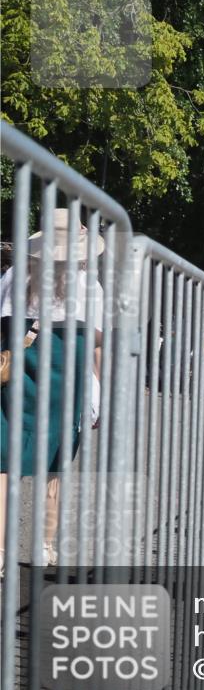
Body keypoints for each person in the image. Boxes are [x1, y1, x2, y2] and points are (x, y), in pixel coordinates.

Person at [1, 208, 104, 578]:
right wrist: (98, 393)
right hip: (65, 378)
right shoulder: (88, 286)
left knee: (3, 463)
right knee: (56, 464)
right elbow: (96, 345)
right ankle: (43, 547)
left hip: (20, 371)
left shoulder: (16, 275)